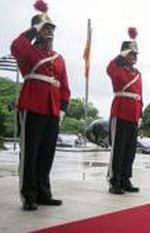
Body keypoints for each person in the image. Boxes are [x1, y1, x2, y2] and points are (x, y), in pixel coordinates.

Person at [11, 0, 70, 211]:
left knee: (47, 153)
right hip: (32, 106)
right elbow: (16, 46)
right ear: (37, 31)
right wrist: (33, 30)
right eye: (45, 29)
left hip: (53, 109)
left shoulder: (59, 58)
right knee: (30, 154)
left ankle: (44, 193)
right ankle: (29, 195)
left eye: (51, 29)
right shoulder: (28, 52)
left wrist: (63, 109)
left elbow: (64, 86)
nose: (50, 33)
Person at [106, 27, 142, 194]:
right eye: (131, 53)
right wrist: (122, 53)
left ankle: (125, 178)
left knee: (130, 149)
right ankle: (115, 180)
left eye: (135, 54)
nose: (133, 57)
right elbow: (109, 67)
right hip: (120, 111)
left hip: (134, 113)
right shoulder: (116, 69)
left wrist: (140, 113)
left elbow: (139, 95)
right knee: (118, 148)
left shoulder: (138, 73)